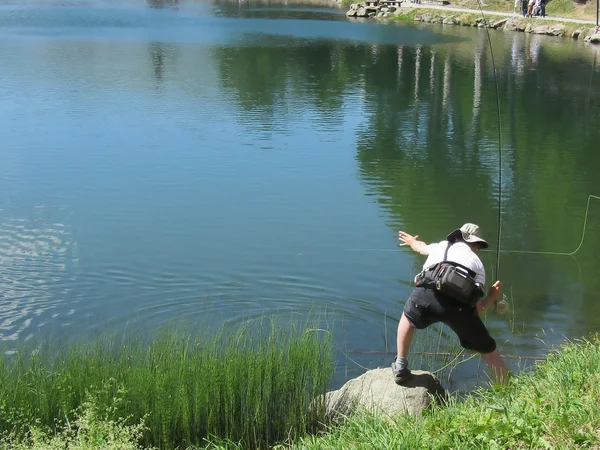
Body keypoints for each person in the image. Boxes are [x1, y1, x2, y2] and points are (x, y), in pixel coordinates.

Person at [392, 223, 509, 386]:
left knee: (408, 319)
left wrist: (412, 241)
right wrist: (491, 297)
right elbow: (477, 309)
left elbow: (421, 247)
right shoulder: (478, 265)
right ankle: (506, 390)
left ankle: (400, 366)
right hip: (459, 309)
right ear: (475, 245)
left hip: (426, 296)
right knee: (490, 351)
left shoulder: (441, 246)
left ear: (456, 237)